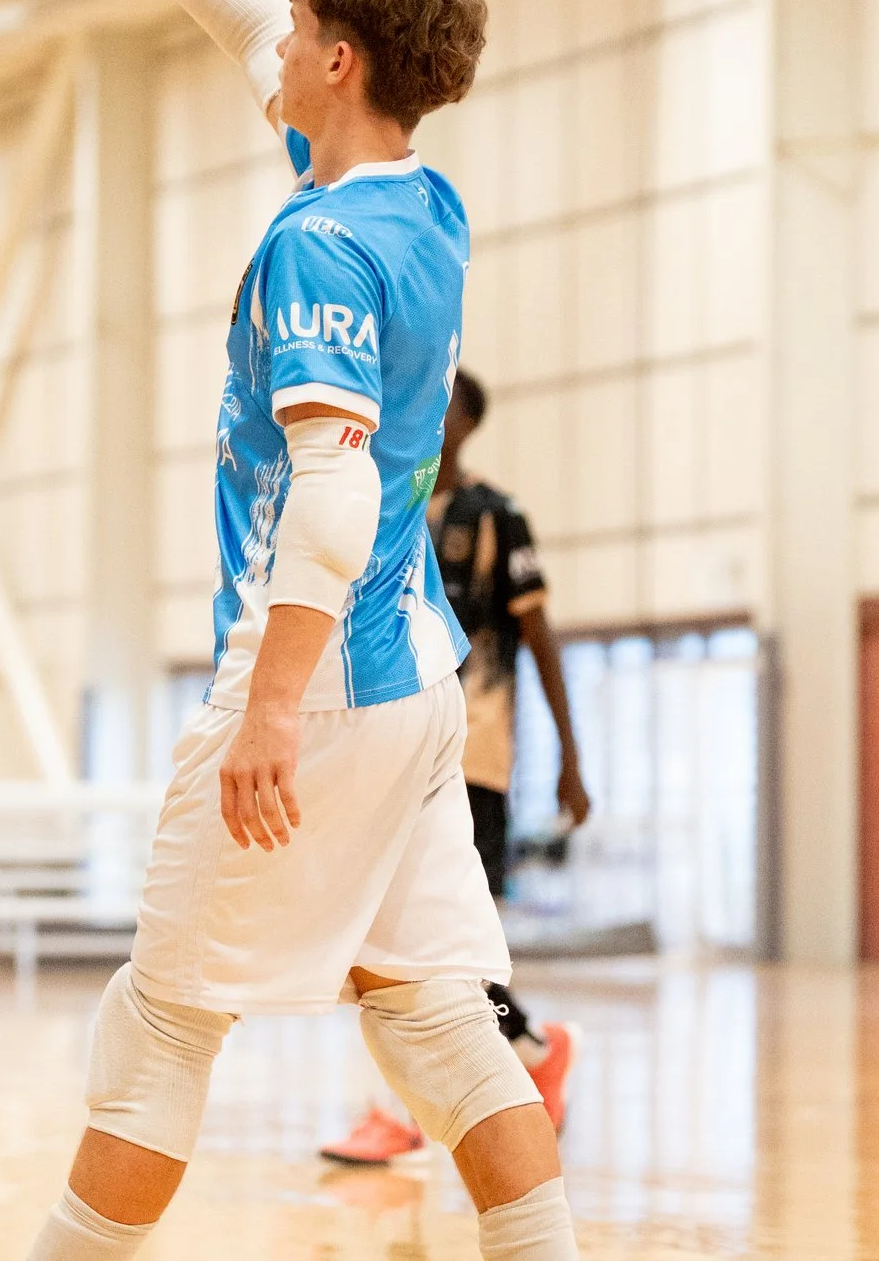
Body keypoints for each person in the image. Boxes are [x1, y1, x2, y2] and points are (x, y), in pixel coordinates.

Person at [14, 0, 579, 1261]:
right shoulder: (412, 199)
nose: (275, 42)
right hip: (414, 685)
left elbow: (330, 490)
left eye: (302, 30)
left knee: (163, 1018)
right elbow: (251, 15)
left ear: (337, 65)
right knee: (444, 1017)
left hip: (318, 679)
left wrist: (269, 702)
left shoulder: (316, 243)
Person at [321, 368, 590, 1167]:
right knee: (383, 936)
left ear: (467, 420)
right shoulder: (376, 505)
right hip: (386, 747)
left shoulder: (496, 516)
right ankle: (534, 1051)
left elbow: (539, 636)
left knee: (439, 945)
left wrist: (572, 758)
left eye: (442, 405)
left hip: (473, 753)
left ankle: (435, 1095)